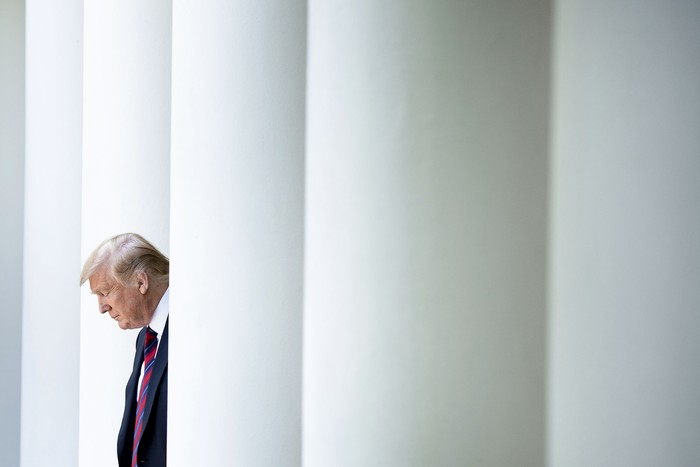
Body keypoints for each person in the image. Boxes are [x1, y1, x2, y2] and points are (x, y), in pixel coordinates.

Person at [80, 233, 169, 467]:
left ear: (141, 282)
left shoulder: (189, 333)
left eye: (105, 292)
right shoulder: (146, 338)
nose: (102, 307)